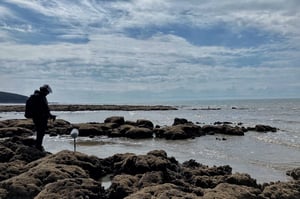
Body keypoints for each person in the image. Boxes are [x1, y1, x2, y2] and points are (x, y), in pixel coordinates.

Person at [31, 84, 56, 151]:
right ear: (45, 91)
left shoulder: (39, 96)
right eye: (47, 92)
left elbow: (45, 109)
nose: (48, 94)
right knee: (40, 132)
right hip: (40, 118)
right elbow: (45, 109)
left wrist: (50, 115)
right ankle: (38, 147)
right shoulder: (40, 97)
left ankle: (38, 145)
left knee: (40, 132)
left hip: (38, 118)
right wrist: (49, 115)